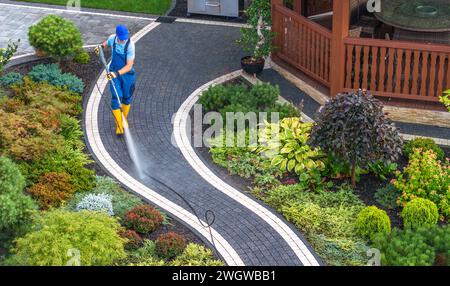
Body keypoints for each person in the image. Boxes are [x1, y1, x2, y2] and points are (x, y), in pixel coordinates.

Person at [95, 25, 136, 135]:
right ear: (117, 35)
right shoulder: (112, 39)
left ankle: (124, 120)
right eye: (121, 37)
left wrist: (116, 74)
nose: (123, 39)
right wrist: (100, 48)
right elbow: (106, 44)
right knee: (116, 98)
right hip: (114, 73)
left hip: (127, 75)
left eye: (125, 37)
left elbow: (128, 66)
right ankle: (119, 125)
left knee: (126, 98)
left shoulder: (130, 45)